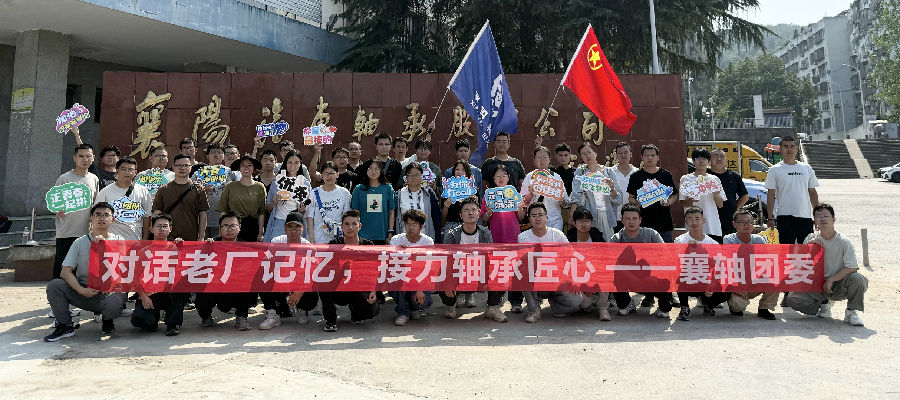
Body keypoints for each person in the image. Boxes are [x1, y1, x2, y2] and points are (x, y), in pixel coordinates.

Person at [44, 202, 126, 341]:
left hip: (109, 293)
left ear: (112, 219)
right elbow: (65, 271)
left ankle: (107, 320)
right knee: (55, 286)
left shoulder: (119, 241)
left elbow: (125, 270)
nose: (102, 218)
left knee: (115, 300)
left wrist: (105, 247)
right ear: (91, 218)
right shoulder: (79, 242)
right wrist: (81, 290)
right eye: (98, 214)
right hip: (84, 291)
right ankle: (65, 326)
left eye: (106, 215)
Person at [785, 204, 867, 326]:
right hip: (816, 284)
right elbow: (801, 264)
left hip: (838, 283)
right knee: (792, 299)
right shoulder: (810, 238)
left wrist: (831, 280)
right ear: (815, 221)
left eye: (825, 216)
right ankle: (823, 304)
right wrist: (808, 247)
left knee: (858, 279)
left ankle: (851, 311)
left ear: (833, 219)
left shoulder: (844, 241)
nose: (822, 219)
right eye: (818, 216)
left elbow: (852, 267)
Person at [765, 135, 819, 306]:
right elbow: (771, 195)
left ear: (796, 149)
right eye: (785, 146)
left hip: (805, 218)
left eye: (792, 146)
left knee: (806, 256)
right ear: (780, 149)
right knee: (786, 257)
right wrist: (770, 217)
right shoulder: (775, 170)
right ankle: (787, 293)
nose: (789, 149)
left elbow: (812, 192)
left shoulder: (806, 168)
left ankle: (805, 291)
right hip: (784, 218)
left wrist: (817, 214)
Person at [439, 196, 508, 322]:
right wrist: (448, 281)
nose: (470, 213)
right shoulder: (452, 234)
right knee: (440, 275)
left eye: (473, 210)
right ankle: (451, 305)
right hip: (458, 272)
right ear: (460, 215)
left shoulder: (485, 232)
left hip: (479, 271)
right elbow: (447, 260)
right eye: (466, 210)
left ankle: (492, 308)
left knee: (501, 269)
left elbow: (490, 257)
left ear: (478, 213)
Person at [519, 203, 581, 323]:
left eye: (540, 215)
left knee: (576, 302)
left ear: (546, 217)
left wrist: (573, 279)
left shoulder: (558, 234)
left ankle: (556, 303)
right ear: (529, 219)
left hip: (557, 277)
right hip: (536, 278)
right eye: (534, 216)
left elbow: (571, 257)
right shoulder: (523, 237)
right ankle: (534, 309)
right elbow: (523, 262)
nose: (537, 218)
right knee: (522, 271)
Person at [320, 210, 380, 332]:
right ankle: (330, 320)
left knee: (371, 310)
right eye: (347, 224)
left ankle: (355, 310)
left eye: (354, 224)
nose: (350, 227)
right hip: (339, 288)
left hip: (359, 289)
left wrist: (374, 290)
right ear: (341, 227)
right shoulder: (334, 244)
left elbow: (375, 270)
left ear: (360, 226)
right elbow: (325, 270)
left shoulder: (368, 245)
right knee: (322, 283)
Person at [129, 213, 189, 336]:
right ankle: (154, 316)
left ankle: (172, 324)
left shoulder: (176, 249)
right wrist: (143, 296)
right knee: (140, 321)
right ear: (151, 228)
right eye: (159, 226)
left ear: (170, 229)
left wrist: (182, 249)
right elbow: (135, 277)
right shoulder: (143, 251)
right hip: (151, 294)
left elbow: (186, 271)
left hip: (170, 292)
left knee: (181, 288)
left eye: (165, 226)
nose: (162, 229)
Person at [195, 214, 257, 330]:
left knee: (247, 284)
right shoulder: (211, 244)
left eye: (233, 226)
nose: (229, 229)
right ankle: (206, 317)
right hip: (216, 287)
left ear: (239, 227)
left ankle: (242, 317)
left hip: (236, 288)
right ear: (220, 229)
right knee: (202, 288)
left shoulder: (246, 247)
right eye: (225, 226)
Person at [609, 203, 669, 318]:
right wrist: (633, 278)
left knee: (666, 274)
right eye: (627, 218)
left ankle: (664, 306)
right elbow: (613, 263)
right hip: (628, 276)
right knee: (611, 274)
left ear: (640, 220)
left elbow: (665, 256)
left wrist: (653, 274)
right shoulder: (616, 239)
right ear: (622, 219)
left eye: (634, 218)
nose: (631, 222)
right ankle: (626, 304)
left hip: (651, 275)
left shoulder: (651, 234)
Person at [259, 212, 318, 330]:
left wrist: (300, 291)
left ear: (303, 228)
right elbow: (266, 263)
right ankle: (272, 313)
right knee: (262, 276)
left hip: (299, 283)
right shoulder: (276, 241)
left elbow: (313, 273)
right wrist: (282, 283)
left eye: (297, 226)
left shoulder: (309, 247)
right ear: (285, 227)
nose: (293, 230)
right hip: (280, 281)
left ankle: (302, 309)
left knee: (312, 294)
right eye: (290, 226)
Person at [481, 165, 527, 312]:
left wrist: (519, 209)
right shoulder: (489, 196)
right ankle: (497, 298)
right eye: (498, 176)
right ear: (493, 179)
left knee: (515, 268)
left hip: (513, 236)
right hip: (496, 237)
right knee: (498, 268)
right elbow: (483, 220)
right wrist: (488, 213)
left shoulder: (515, 194)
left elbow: (521, 217)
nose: (501, 178)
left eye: (504, 175)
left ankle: (516, 301)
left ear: (508, 178)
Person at [51, 143, 100, 283]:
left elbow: (95, 204)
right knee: (63, 267)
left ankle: (79, 293)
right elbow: (54, 203)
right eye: (81, 156)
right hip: (66, 231)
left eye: (88, 156)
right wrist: (57, 209)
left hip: (85, 232)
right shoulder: (64, 179)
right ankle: (58, 292)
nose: (85, 159)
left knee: (82, 269)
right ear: (74, 158)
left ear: (93, 158)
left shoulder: (94, 179)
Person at [673, 206, 731, 321]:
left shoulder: (713, 243)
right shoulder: (680, 240)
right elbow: (679, 262)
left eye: (697, 218)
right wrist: (689, 250)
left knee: (727, 288)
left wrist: (713, 282)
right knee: (680, 276)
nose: (694, 222)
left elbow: (719, 266)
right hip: (689, 277)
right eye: (690, 219)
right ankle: (684, 306)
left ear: (703, 221)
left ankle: (708, 304)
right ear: (686, 222)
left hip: (707, 278)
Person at [723, 210, 778, 320]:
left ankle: (764, 308)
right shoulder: (728, 239)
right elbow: (729, 266)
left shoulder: (759, 239)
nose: (747, 225)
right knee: (737, 306)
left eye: (749, 222)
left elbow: (766, 262)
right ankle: (735, 305)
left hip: (754, 280)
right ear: (734, 224)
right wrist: (736, 286)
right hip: (737, 282)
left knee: (776, 277)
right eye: (742, 222)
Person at [565, 207, 612, 321]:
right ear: (575, 223)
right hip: (576, 278)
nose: (584, 224)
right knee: (583, 304)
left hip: (594, 275)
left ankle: (603, 308)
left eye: (587, 221)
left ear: (591, 223)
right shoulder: (568, 239)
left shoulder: (597, 237)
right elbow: (565, 265)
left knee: (606, 274)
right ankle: (588, 303)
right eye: (581, 221)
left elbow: (604, 260)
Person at [389, 209, 435, 326]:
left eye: (414, 224)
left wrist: (420, 289)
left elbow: (429, 266)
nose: (410, 227)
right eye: (408, 224)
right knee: (394, 280)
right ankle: (403, 312)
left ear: (421, 226)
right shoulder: (396, 239)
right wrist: (400, 251)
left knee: (422, 302)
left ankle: (414, 309)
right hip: (402, 275)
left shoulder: (427, 241)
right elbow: (392, 263)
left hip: (420, 277)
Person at [570, 142, 622, 241]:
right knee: (591, 244)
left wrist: (612, 189)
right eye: (583, 154)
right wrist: (572, 215)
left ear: (595, 153)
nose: (587, 156)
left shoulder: (608, 172)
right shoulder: (580, 172)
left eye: (589, 152)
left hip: (606, 215)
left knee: (608, 244)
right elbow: (576, 195)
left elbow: (618, 200)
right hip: (588, 215)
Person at [626, 144, 679, 242]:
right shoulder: (635, 176)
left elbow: (674, 195)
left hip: (664, 222)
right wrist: (636, 203)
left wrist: (669, 202)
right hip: (642, 222)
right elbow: (631, 197)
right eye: (646, 155)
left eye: (653, 155)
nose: (649, 158)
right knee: (643, 250)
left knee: (664, 250)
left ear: (657, 157)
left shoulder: (665, 175)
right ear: (642, 157)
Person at [151, 154, 209, 241]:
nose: (182, 168)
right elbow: (157, 212)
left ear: (191, 167)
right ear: (173, 167)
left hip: (191, 238)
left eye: (186, 165)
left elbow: (203, 214)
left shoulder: (198, 189)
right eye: (179, 165)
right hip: (168, 239)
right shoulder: (163, 189)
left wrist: (201, 237)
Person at [94, 156, 152, 240]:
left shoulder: (143, 191)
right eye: (123, 169)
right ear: (117, 171)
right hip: (111, 241)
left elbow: (147, 217)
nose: (127, 172)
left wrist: (145, 239)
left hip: (135, 241)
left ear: (135, 172)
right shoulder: (105, 192)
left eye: (130, 170)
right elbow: (96, 216)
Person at [679, 149, 726, 242]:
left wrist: (716, 195)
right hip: (693, 225)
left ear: (708, 161)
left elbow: (720, 205)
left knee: (713, 250)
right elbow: (682, 203)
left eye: (704, 159)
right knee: (694, 250)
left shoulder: (714, 179)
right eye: (698, 158)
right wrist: (691, 199)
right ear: (693, 161)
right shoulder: (685, 179)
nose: (701, 161)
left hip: (712, 226)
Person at [191, 144, 237, 239]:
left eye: (219, 152)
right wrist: (201, 193)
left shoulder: (230, 173)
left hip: (224, 221)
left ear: (223, 156)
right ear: (207, 156)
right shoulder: (199, 173)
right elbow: (190, 194)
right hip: (202, 220)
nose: (216, 155)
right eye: (212, 152)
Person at [263, 151, 310, 242]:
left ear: (300, 164)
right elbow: (268, 208)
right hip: (279, 221)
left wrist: (303, 210)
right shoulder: (277, 182)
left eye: (296, 163)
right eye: (290, 162)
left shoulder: (305, 183)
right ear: (285, 163)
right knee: (276, 248)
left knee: (296, 249)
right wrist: (274, 202)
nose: (293, 166)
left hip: (296, 223)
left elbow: (309, 208)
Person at [218, 155, 267, 242]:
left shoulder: (260, 187)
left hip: (253, 226)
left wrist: (261, 232)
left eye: (249, 165)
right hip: (234, 226)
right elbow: (223, 210)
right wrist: (221, 231)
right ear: (239, 168)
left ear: (254, 168)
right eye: (243, 165)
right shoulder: (230, 186)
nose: (246, 168)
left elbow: (261, 212)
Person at [521, 146, 569, 231]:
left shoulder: (556, 177)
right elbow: (523, 201)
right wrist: (531, 195)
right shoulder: (529, 177)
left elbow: (565, 200)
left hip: (554, 219)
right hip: (535, 219)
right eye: (539, 157)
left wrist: (563, 202)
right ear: (534, 160)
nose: (542, 160)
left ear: (549, 159)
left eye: (545, 157)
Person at [350, 160, 396, 244]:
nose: (373, 171)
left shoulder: (388, 188)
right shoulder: (358, 189)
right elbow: (355, 213)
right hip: (362, 235)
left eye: (376, 169)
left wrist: (390, 232)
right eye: (370, 168)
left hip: (382, 234)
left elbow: (391, 212)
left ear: (381, 171)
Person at [306, 161, 351, 244]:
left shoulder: (344, 193)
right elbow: (310, 217)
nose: (329, 176)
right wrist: (311, 238)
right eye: (325, 173)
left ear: (337, 175)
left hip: (338, 239)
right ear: (321, 175)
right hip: (318, 239)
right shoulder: (314, 193)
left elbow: (347, 217)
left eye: (331, 173)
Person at [395, 163, 442, 243]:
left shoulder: (428, 193)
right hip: (404, 240)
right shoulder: (399, 194)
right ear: (406, 177)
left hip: (425, 240)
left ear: (421, 176)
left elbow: (436, 217)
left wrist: (437, 239)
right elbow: (395, 217)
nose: (414, 177)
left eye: (417, 174)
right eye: (410, 174)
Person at [709, 148, 749, 238]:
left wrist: (735, 208)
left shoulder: (734, 176)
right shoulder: (705, 176)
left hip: (729, 219)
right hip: (709, 218)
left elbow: (744, 196)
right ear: (709, 160)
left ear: (726, 160)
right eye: (715, 156)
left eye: (722, 156)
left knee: (728, 244)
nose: (719, 159)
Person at [606, 142, 639, 232]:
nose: (623, 155)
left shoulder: (637, 173)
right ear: (616, 155)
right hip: (615, 217)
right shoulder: (609, 173)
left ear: (630, 154)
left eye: (626, 152)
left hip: (633, 218)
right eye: (620, 153)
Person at [441, 161, 473, 236]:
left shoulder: (473, 190)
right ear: (453, 172)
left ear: (467, 172)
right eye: (457, 169)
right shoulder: (447, 189)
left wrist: (474, 201)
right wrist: (446, 206)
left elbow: (478, 213)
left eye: (463, 170)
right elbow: (444, 216)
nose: (460, 172)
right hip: (451, 225)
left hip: (469, 225)